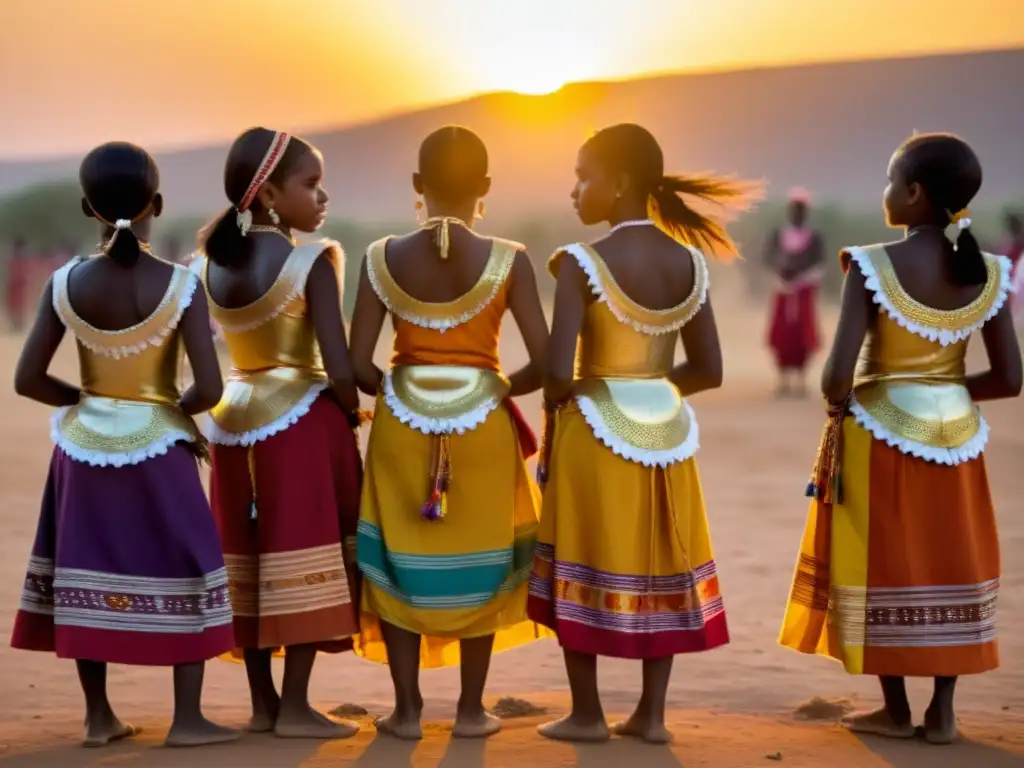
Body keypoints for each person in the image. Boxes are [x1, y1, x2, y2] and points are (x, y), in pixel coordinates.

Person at [779, 133, 1021, 746]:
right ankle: (942, 711)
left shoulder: (871, 263)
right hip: (958, 439)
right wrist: (946, 389)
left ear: (913, 194)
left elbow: (837, 373)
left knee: (885, 562)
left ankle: (894, 709)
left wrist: (847, 403)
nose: (886, 191)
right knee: (950, 556)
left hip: (880, 433)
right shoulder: (991, 272)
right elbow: (1011, 378)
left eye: (892, 180)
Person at [528, 124, 756, 744]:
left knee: (585, 556)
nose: (575, 190)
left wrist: (580, 394)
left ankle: (587, 713)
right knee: (659, 557)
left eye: (583, 175)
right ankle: (652, 717)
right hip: (667, 431)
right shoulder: (688, 262)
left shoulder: (581, 262)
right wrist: (652, 388)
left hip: (592, 432)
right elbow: (708, 369)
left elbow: (555, 369)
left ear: (621, 183)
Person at [9, 142, 237, 748]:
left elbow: (27, 379)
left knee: (87, 566)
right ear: (156, 204)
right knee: (188, 565)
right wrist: (165, 412)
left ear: (87, 207)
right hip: (160, 447)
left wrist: (87, 404)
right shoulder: (182, 284)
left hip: (82, 451)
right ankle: (187, 720)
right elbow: (209, 388)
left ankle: (99, 716)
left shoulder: (64, 283)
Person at [349, 125, 550, 741]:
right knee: (484, 562)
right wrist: (495, 388)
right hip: (483, 428)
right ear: (485, 187)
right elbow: (543, 362)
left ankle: (407, 711)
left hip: (401, 424)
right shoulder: (511, 259)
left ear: (417, 186)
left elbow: (358, 366)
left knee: (399, 558)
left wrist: (403, 393)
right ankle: (469, 710)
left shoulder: (379, 258)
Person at [194, 127, 364, 740]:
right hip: (302, 422)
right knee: (304, 552)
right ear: (267, 193)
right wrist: (352, 411)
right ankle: (296, 705)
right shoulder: (311, 261)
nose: (323, 196)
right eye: (311, 184)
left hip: (233, 424)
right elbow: (337, 363)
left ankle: (263, 703)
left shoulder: (206, 265)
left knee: (250, 557)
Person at [763, 188, 825, 397]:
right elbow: (768, 258)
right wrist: (782, 277)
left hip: (804, 290)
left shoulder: (814, 237)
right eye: (794, 209)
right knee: (782, 336)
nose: (797, 213)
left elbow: (819, 262)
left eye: (801, 209)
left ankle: (800, 382)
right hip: (782, 289)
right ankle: (783, 382)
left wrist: (799, 277)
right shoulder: (778, 235)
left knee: (803, 335)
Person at [4, 237, 30, 332]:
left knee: (19, 304)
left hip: (20, 285)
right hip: (14, 285)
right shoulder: (13, 259)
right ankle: (16, 324)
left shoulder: (23, 259)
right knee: (14, 304)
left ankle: (19, 323)